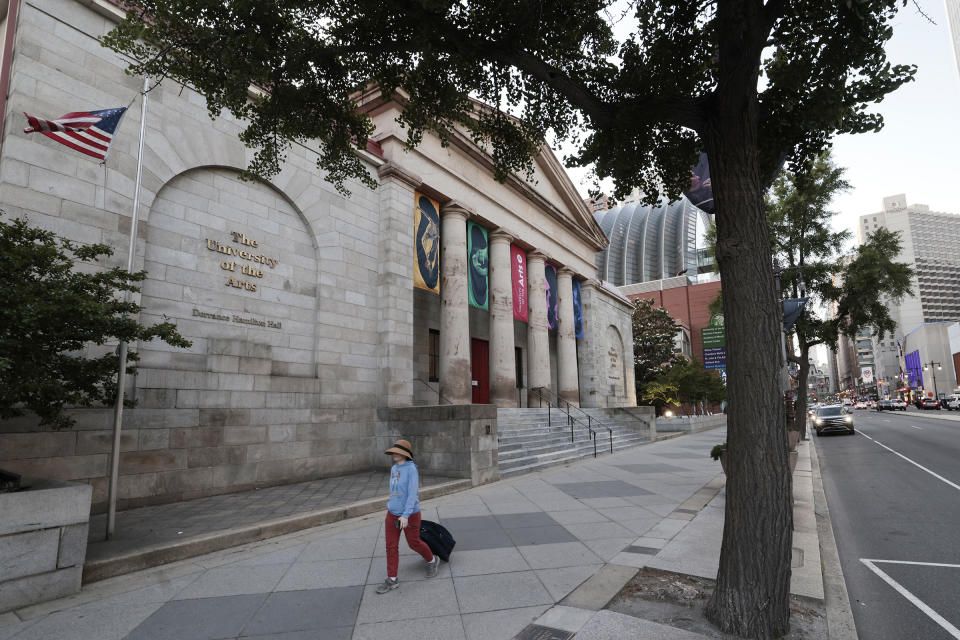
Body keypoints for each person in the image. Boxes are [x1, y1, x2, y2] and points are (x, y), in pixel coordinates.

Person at [376, 439, 439, 594]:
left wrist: (405, 515)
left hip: (410, 515)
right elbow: (394, 491)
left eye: (398, 452)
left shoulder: (411, 469)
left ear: (405, 454)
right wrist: (392, 506)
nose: (395, 454)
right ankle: (392, 579)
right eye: (394, 451)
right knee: (391, 546)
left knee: (414, 543)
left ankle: (432, 560)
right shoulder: (393, 468)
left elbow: (412, 495)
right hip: (392, 514)